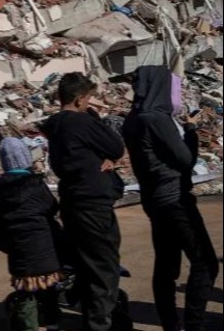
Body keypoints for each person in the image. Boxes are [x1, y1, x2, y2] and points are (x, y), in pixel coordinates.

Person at [122, 66, 219, 331]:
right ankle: (194, 324)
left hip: (153, 200)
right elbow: (186, 160)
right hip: (174, 199)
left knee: (166, 265)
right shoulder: (156, 119)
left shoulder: (133, 118)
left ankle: (170, 324)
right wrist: (190, 132)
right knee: (205, 264)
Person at [41, 73, 125, 331]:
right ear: (79, 99)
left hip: (74, 201)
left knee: (88, 264)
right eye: (88, 99)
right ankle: (99, 325)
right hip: (92, 203)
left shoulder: (54, 125)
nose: (91, 103)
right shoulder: (81, 122)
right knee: (103, 268)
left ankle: (94, 318)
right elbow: (115, 146)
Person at [0, 137, 63, 331]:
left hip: (17, 248)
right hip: (44, 246)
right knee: (48, 289)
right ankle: (52, 323)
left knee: (25, 293)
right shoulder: (36, 184)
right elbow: (52, 207)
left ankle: (28, 326)